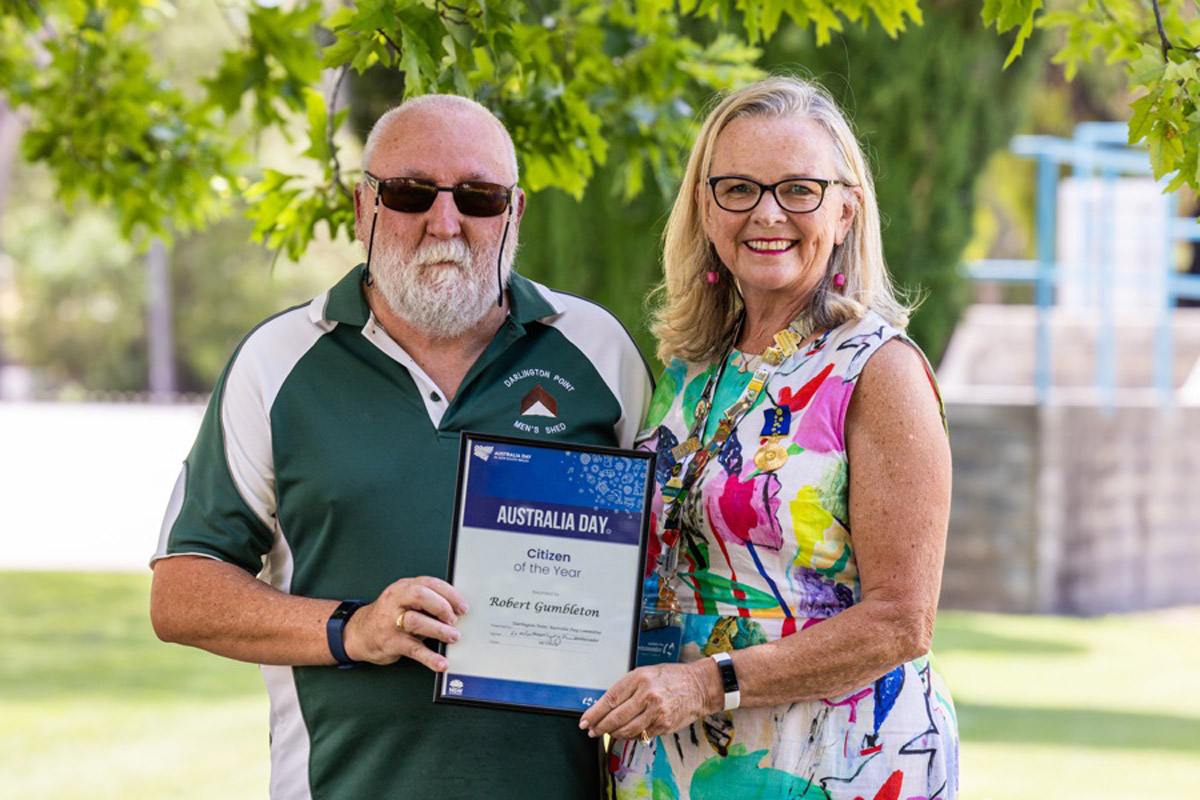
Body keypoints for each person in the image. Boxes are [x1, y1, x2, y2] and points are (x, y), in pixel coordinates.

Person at [150, 94, 653, 799]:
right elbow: (183, 594)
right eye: (412, 193)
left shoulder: (599, 352)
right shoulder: (277, 362)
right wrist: (354, 630)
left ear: (515, 214)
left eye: (478, 197)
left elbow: (667, 569)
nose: (445, 223)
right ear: (365, 208)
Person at [579, 76, 958, 798]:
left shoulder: (879, 372)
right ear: (705, 207)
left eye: (798, 190)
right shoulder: (689, 371)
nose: (767, 213)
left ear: (845, 211)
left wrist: (704, 684)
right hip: (674, 751)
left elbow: (901, 622)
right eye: (739, 189)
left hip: (827, 755)